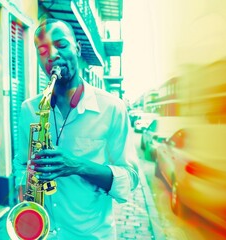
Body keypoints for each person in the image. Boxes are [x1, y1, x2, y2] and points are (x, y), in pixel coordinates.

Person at [14, 18, 139, 239]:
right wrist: (24, 184)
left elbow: (130, 178)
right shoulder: (29, 109)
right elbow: (21, 162)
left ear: (77, 48)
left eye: (61, 45)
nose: (52, 55)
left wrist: (78, 165)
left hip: (91, 234)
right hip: (42, 233)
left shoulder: (112, 108)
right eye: (42, 50)